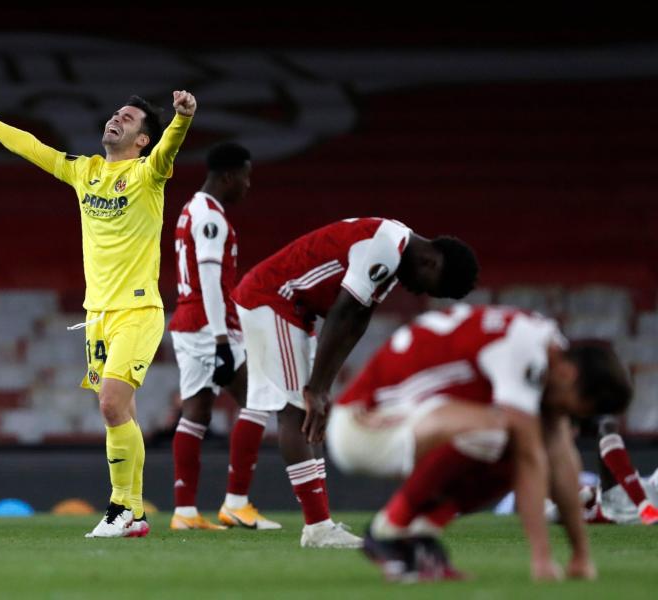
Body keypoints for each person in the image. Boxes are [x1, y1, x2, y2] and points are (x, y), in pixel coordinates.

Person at [0, 89, 196, 538]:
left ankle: (120, 507)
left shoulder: (149, 173)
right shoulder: (84, 171)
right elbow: (30, 146)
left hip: (138, 310)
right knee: (120, 412)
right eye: (115, 112)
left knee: (110, 404)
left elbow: (170, 148)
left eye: (127, 118)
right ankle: (137, 516)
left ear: (142, 140)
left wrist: (182, 119)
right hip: (97, 315)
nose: (115, 119)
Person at [329, 304, 632, 581]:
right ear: (569, 374)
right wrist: (542, 558)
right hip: (362, 424)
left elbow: (561, 457)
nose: (569, 417)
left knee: (514, 439)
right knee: (507, 433)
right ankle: (391, 529)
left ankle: (412, 533)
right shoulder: (526, 350)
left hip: (411, 420)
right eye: (574, 408)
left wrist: (580, 555)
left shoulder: (548, 354)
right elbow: (531, 456)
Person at [231, 218, 478, 548]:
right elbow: (343, 312)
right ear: (431, 262)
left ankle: (320, 524)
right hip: (274, 298)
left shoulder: (395, 253)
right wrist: (316, 389)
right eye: (430, 286)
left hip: (293, 307)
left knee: (308, 410)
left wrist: (324, 387)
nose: (419, 292)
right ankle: (318, 528)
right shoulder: (386, 247)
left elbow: (358, 320)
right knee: (294, 411)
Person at [168, 142, 279, 531]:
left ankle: (184, 513)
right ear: (229, 176)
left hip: (186, 320)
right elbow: (212, 280)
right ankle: (236, 503)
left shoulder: (190, 209)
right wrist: (220, 341)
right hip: (207, 324)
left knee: (195, 413)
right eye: (246, 176)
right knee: (257, 399)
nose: (248, 185)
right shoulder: (211, 218)